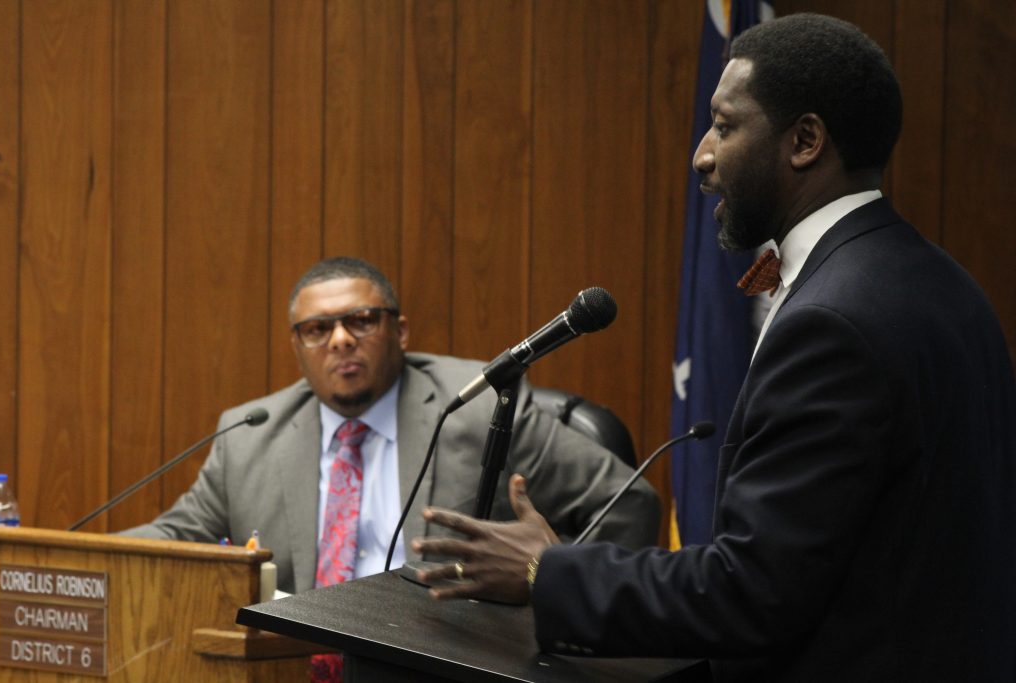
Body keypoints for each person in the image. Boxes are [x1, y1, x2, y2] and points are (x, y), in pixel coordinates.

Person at [412, 14, 1016, 682]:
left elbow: (753, 592)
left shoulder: (831, 322)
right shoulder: (946, 283)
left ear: (805, 141)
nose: (702, 155)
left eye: (724, 127)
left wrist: (543, 570)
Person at [121, 256, 659, 596]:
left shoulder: (480, 407)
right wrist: (71, 555)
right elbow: (176, 537)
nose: (340, 340)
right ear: (297, 346)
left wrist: (546, 586)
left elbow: (629, 504)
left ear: (399, 332)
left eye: (360, 321)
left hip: (439, 660)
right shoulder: (249, 434)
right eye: (317, 329)